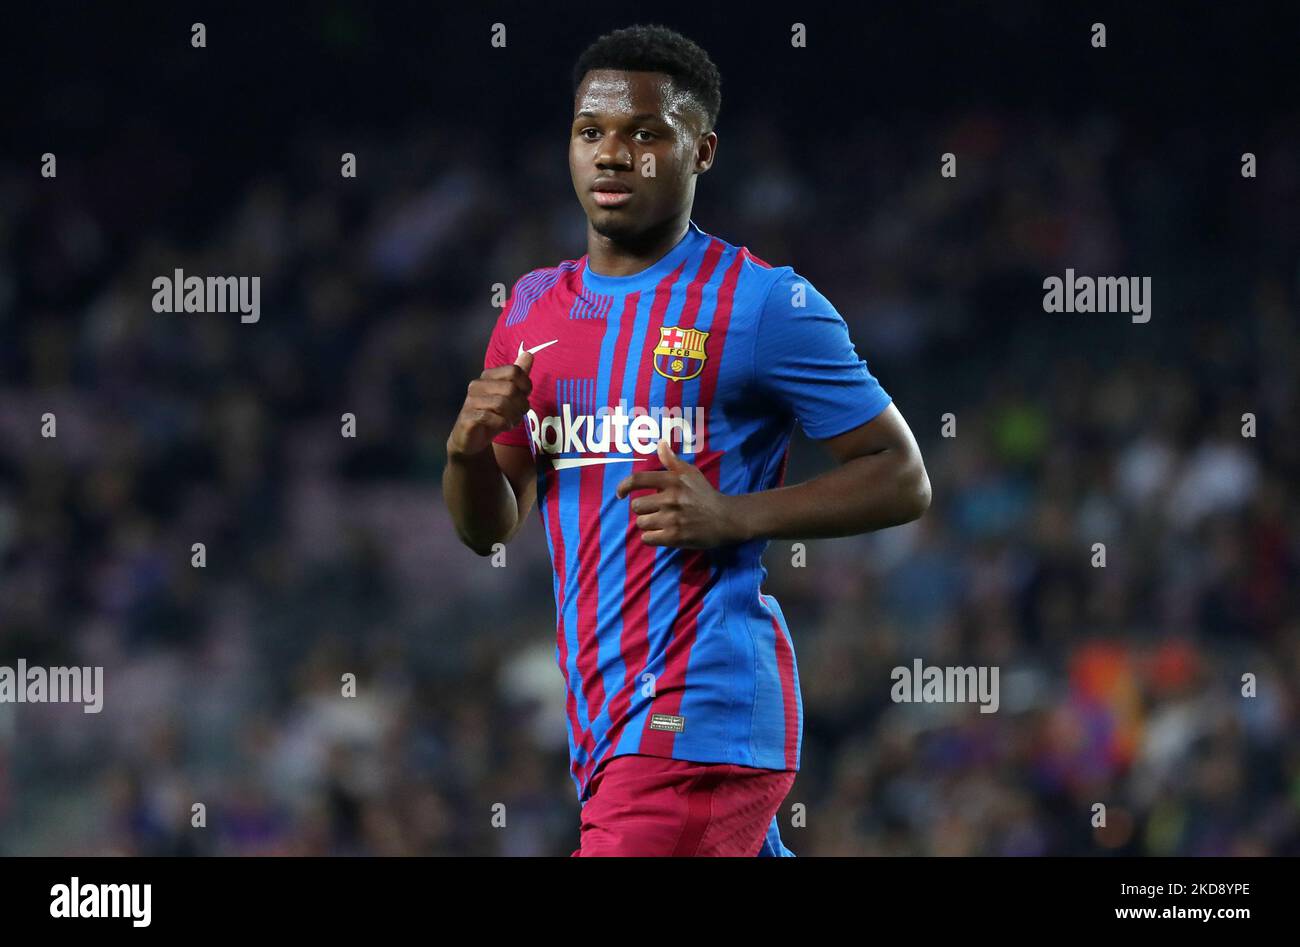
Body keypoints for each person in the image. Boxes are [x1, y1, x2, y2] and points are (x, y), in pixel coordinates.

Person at [443, 24, 930, 856]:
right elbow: (491, 525)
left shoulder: (764, 304)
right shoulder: (531, 309)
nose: (612, 154)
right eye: (591, 132)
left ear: (700, 152)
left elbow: (902, 474)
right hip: (603, 723)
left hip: (695, 710)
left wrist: (736, 516)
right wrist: (463, 453)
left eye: (645, 134)